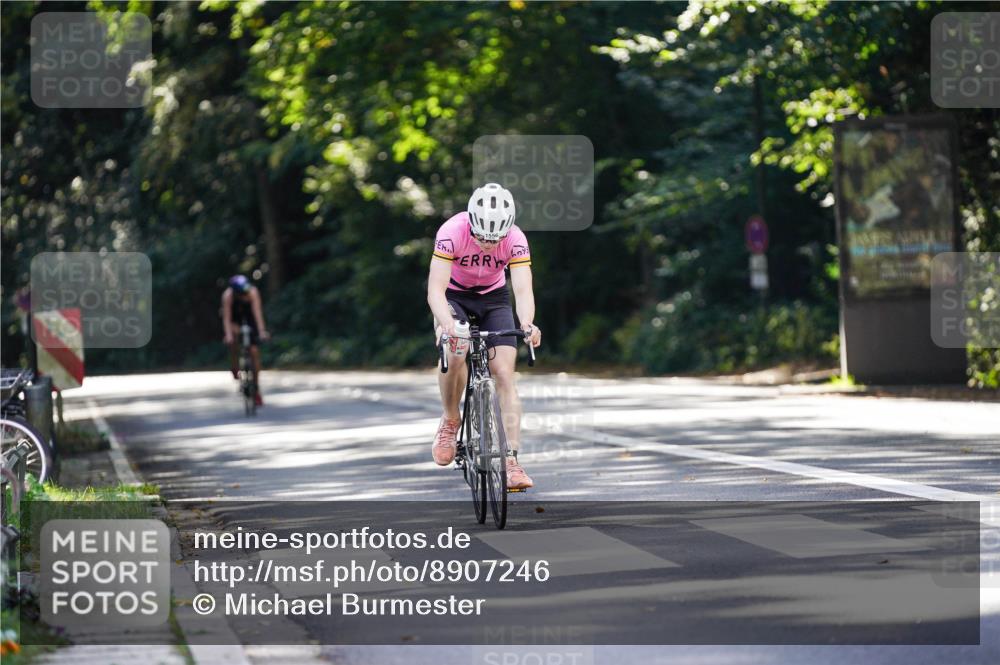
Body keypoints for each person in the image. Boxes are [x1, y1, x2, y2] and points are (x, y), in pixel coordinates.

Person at [426, 183, 542, 489]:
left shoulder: (515, 238)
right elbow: (435, 290)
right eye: (482, 238)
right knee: (456, 350)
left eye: (496, 239)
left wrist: (527, 324)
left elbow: (522, 289)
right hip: (454, 297)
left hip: (494, 299)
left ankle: (511, 461)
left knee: (504, 373)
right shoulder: (451, 231)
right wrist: (446, 324)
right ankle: (451, 419)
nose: (489, 245)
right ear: (472, 225)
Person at [221, 275, 270, 407]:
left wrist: (262, 331)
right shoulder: (228, 296)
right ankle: (235, 365)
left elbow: (257, 313)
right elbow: (227, 318)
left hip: (249, 317)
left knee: (254, 351)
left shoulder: (252, 292)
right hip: (235, 318)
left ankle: (256, 388)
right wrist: (228, 335)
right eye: (242, 294)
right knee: (233, 338)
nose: (245, 296)